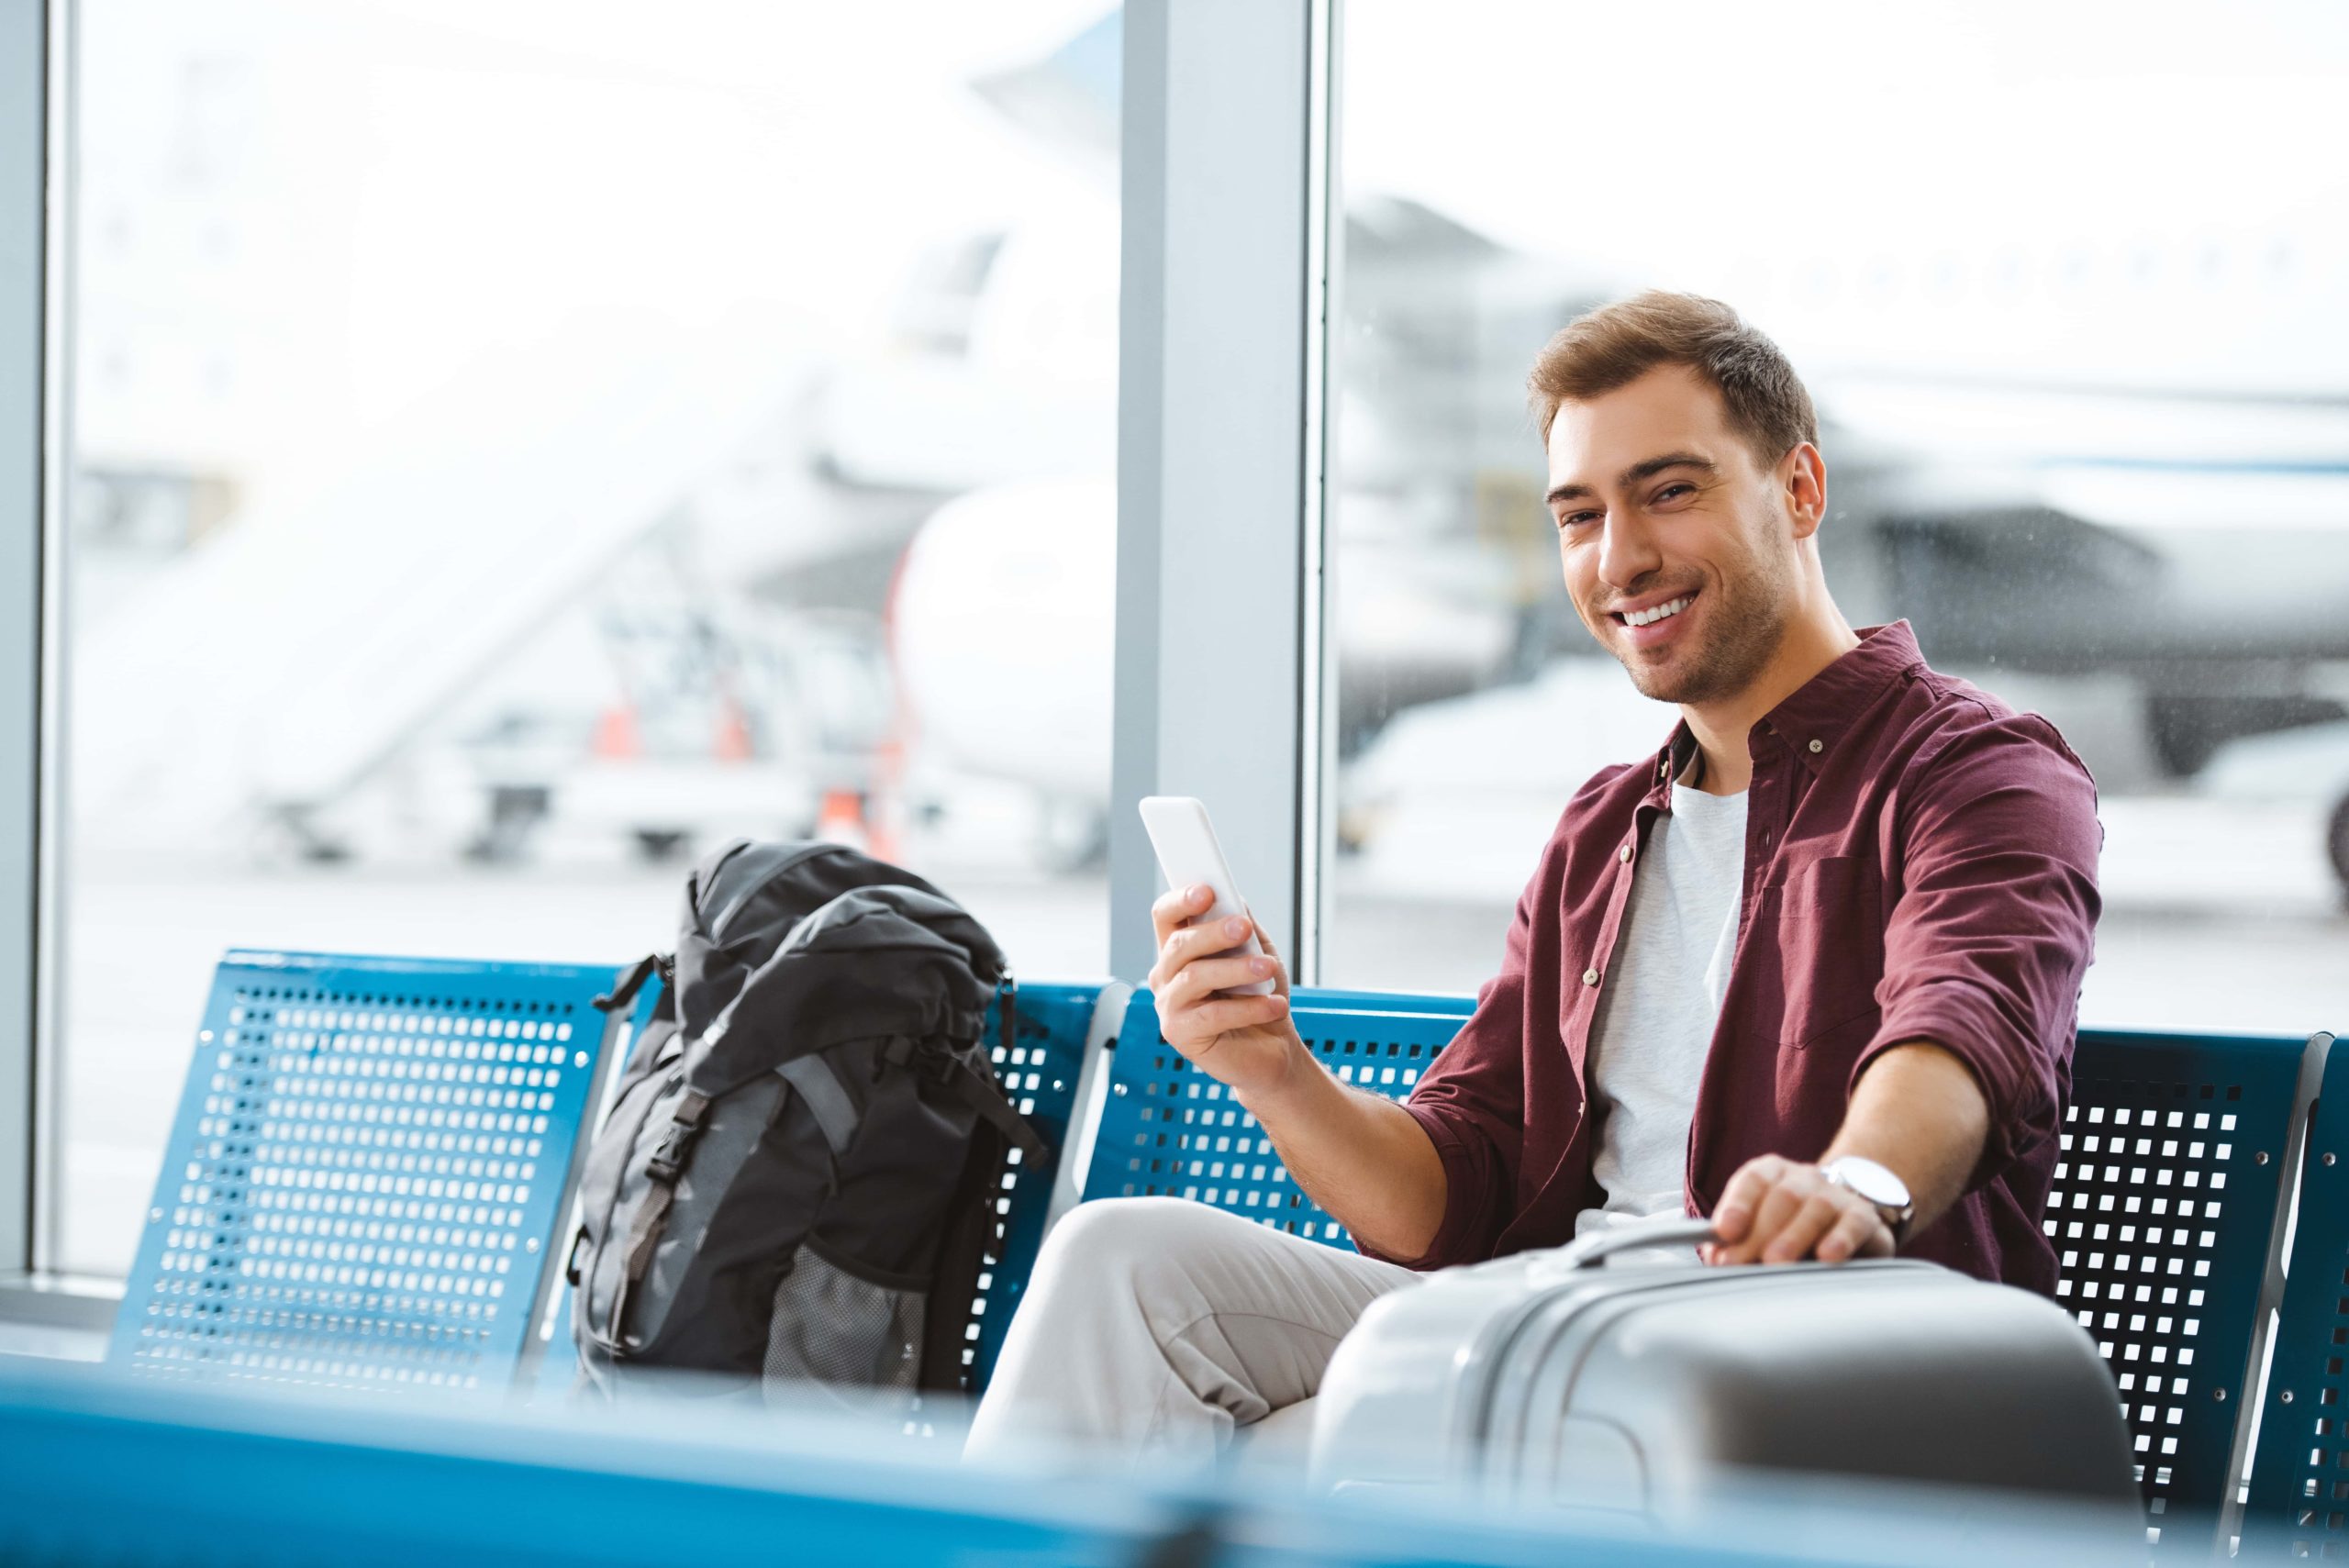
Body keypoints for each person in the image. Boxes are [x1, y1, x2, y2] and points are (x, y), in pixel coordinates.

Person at [965, 291, 2101, 1465]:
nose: (1620, 558)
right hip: (1561, 1322)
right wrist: (1271, 1065)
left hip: (1812, 1357)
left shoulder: (1976, 773)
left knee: (1317, 1437)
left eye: (1670, 490)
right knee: (1120, 1262)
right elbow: (1449, 1189)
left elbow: (1964, 1022)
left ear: (1799, 489)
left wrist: (1855, 1183)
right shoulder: (1604, 831)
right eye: (1578, 514)